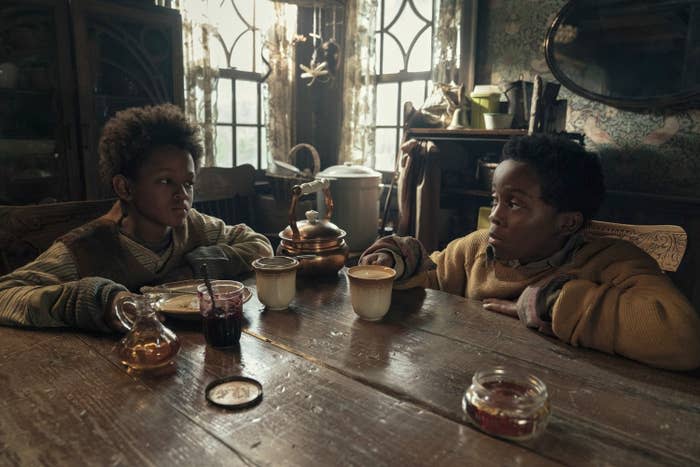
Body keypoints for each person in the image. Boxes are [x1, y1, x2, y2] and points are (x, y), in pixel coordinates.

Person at [360, 134, 700, 370]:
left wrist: (550, 302)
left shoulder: (613, 261)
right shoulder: (477, 248)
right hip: (478, 385)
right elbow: (431, 273)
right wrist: (397, 262)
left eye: (515, 203)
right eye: (495, 199)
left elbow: (683, 339)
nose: (494, 215)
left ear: (567, 223)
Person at [0, 104, 273, 333]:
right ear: (125, 188)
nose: (182, 195)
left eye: (188, 183)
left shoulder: (194, 225)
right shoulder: (85, 249)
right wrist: (98, 300)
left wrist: (200, 266)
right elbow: (6, 295)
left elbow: (259, 245)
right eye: (166, 181)